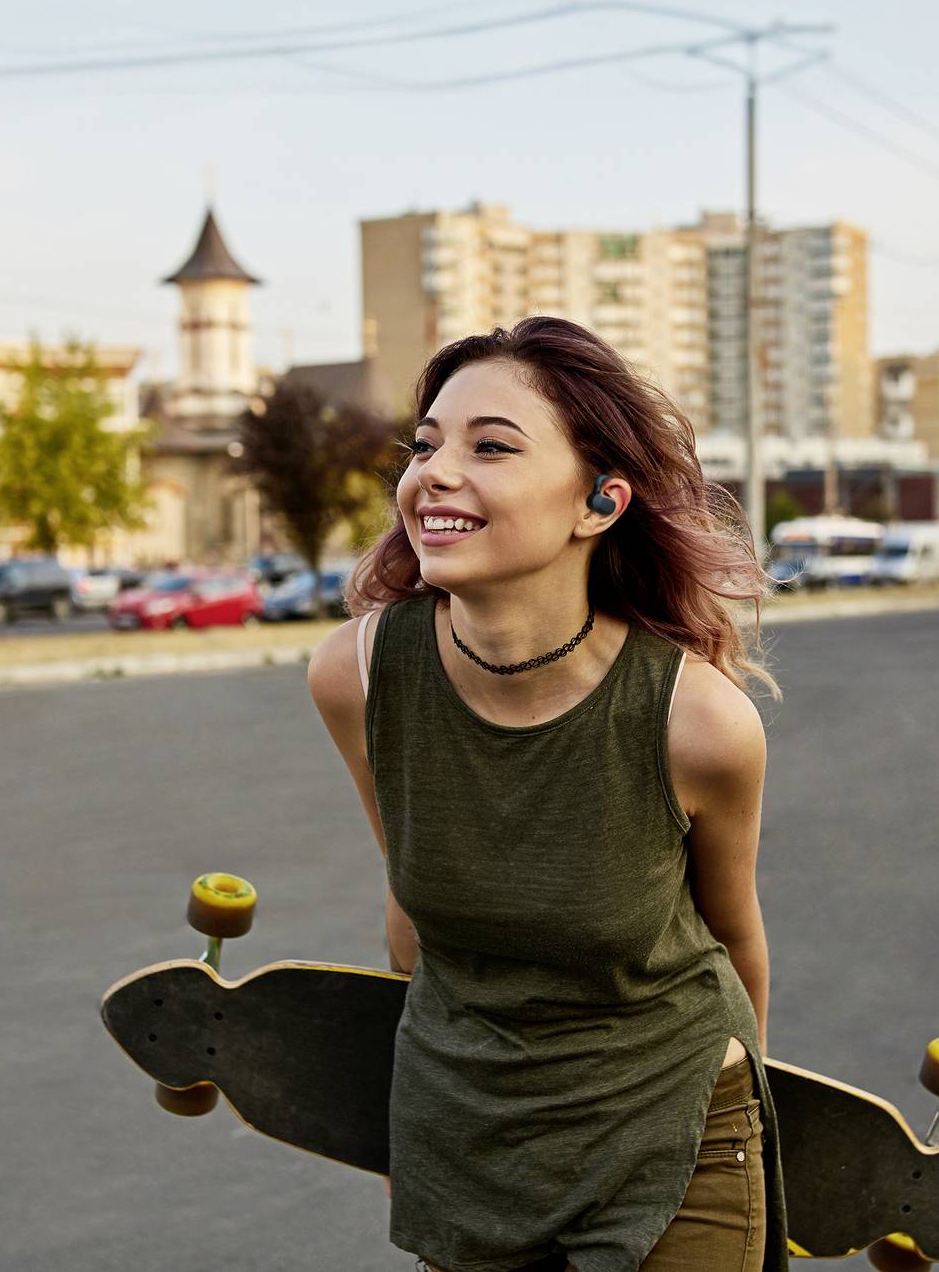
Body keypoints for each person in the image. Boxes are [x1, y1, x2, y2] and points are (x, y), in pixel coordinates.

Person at [306, 317, 785, 1272]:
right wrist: (418, 1119)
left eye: (491, 447)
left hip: (672, 1126)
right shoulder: (356, 674)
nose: (434, 473)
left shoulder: (698, 723)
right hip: (468, 1136)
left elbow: (734, 938)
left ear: (600, 502)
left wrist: (768, 1125)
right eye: (426, 445)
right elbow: (413, 914)